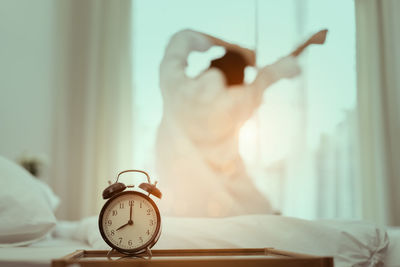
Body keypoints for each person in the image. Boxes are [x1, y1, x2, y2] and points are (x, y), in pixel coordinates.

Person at [156, 29, 301, 217]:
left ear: (211, 66)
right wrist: (307, 45)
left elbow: (182, 37)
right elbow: (270, 74)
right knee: (268, 220)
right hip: (230, 203)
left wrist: (232, 47)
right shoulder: (238, 101)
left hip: (180, 201)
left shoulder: (175, 85)